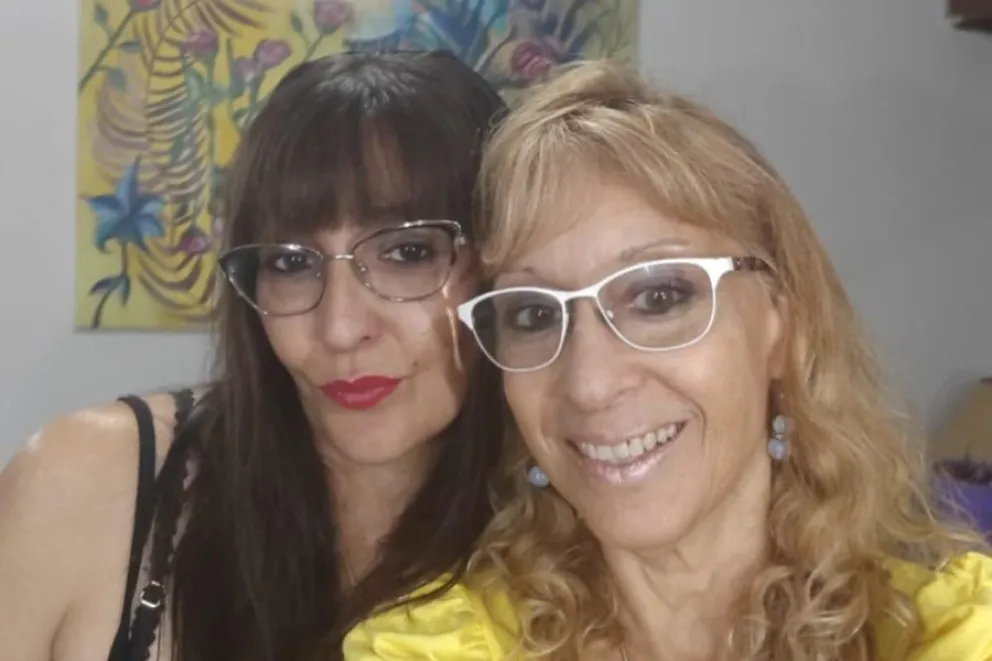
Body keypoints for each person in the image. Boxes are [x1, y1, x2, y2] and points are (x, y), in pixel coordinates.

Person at [343, 61, 992, 660]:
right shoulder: (432, 647)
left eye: (658, 297)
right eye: (535, 314)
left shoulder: (945, 628)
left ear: (780, 323)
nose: (590, 383)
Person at [0, 50, 506, 661]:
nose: (340, 328)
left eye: (407, 253)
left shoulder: (569, 546)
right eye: (290, 263)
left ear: (502, 268)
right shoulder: (86, 483)